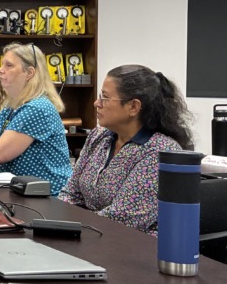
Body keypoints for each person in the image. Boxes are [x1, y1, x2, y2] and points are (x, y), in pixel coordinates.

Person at [60, 65, 193, 234]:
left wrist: (70, 227)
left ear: (133, 107)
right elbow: (71, 194)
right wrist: (57, 222)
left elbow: (122, 219)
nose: (96, 103)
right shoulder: (99, 137)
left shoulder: (159, 152)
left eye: (105, 97)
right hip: (90, 234)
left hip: (134, 247)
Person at [0, 42, 71, 195]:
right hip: (20, 194)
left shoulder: (37, 108)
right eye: (2, 65)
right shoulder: (9, 108)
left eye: (9, 66)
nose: (0, 70)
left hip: (47, 199)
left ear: (29, 73)